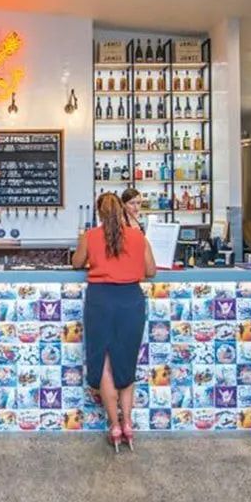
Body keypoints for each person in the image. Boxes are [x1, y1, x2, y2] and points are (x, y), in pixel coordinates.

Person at [72, 192, 157, 452]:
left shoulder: (90, 237)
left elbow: (77, 263)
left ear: (99, 214)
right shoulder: (137, 236)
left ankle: (114, 426)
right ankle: (128, 424)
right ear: (122, 211)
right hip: (131, 301)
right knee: (126, 361)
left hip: (100, 302)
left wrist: (85, 248)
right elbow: (151, 271)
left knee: (106, 364)